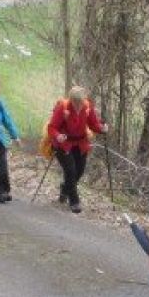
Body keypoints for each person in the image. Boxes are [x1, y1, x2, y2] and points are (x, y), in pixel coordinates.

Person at [46, 86, 108, 214]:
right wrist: (58, 136)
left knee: (79, 171)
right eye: (76, 102)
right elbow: (51, 127)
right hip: (63, 145)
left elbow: (93, 124)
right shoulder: (63, 108)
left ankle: (65, 189)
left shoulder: (87, 107)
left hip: (80, 144)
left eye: (81, 102)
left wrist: (102, 129)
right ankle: (74, 202)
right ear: (71, 100)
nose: (78, 105)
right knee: (70, 171)